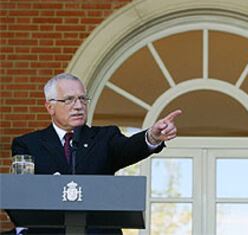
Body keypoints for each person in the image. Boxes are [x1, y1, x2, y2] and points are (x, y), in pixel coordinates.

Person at [10, 73, 182, 234]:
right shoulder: (28, 145)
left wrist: (151, 136)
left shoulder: (105, 138)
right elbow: (21, 194)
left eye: (82, 99)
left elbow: (129, 148)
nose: (78, 106)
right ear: (50, 107)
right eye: (69, 100)